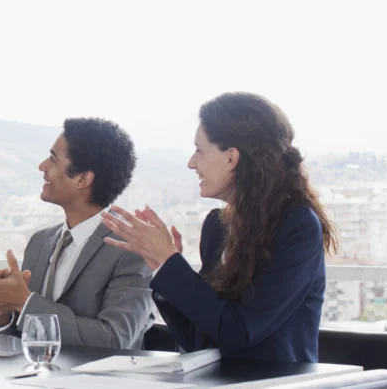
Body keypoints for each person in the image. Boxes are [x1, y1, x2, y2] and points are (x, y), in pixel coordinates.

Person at [100, 92, 337, 363]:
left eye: (199, 150)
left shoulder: (297, 226)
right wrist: (163, 267)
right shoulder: (217, 226)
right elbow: (197, 339)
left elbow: (240, 332)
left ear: (231, 158)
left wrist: (170, 263)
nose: (191, 163)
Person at [0, 118, 154, 349]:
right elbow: (16, 342)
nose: (42, 166)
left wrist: (23, 301)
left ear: (82, 179)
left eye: (53, 159)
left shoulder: (131, 250)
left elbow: (114, 339)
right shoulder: (40, 242)